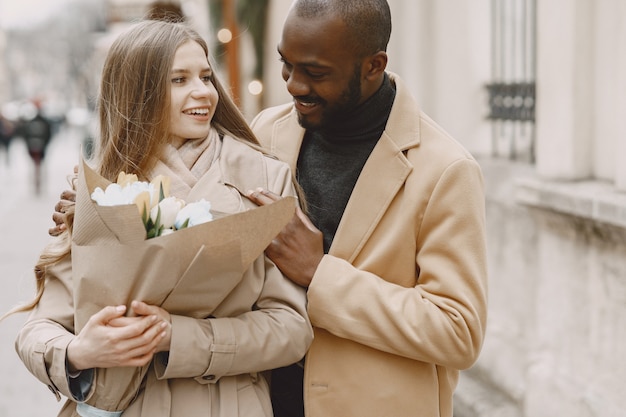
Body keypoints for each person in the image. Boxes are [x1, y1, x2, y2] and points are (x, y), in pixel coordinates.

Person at [50, 1, 488, 416]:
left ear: (374, 66)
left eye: (315, 72)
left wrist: (320, 274)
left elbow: (459, 331)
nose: (294, 85)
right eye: (286, 64)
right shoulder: (269, 133)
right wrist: (104, 209)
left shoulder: (445, 169)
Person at [10, 19, 312, 417]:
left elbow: (292, 329)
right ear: (139, 92)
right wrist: (79, 352)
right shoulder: (100, 185)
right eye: (179, 80)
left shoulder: (264, 178)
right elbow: (38, 328)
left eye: (206, 76)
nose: (203, 92)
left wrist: (178, 337)